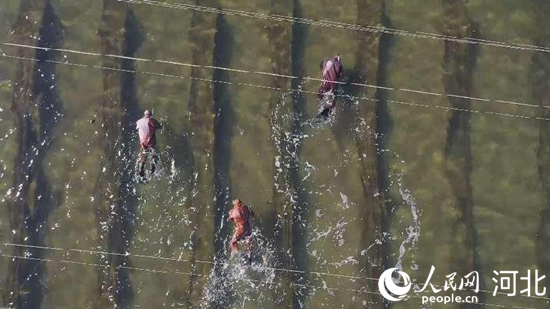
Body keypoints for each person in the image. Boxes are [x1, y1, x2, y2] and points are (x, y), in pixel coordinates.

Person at [136, 110, 161, 178]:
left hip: (142, 141)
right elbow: (159, 126)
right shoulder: (152, 120)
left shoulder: (138, 121)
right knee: (153, 153)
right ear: (150, 115)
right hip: (150, 141)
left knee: (144, 153)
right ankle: (152, 170)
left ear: (144, 115)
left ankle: (141, 167)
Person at [317, 54, 344, 119]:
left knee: (319, 94)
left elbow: (321, 67)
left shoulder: (325, 62)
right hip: (333, 84)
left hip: (325, 83)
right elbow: (341, 76)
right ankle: (330, 112)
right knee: (334, 96)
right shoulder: (339, 65)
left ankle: (321, 107)